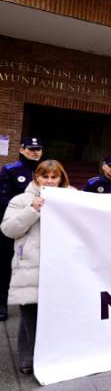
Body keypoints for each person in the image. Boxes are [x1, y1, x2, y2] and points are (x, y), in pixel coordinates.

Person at [1, 160, 72, 374]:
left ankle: (53, 355)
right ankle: (27, 358)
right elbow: (8, 229)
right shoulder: (21, 200)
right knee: (30, 313)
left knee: (56, 314)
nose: (49, 181)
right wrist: (32, 210)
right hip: (31, 266)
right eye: (45, 176)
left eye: (54, 177)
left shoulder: (72, 198)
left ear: (61, 179)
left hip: (60, 267)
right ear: (37, 178)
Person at [0, 136, 43, 322]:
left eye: (38, 149)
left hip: (38, 228)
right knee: (4, 265)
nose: (35, 152)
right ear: (22, 149)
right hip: (16, 222)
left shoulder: (44, 171)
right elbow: (2, 198)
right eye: (31, 149)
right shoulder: (10, 170)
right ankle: (2, 302)